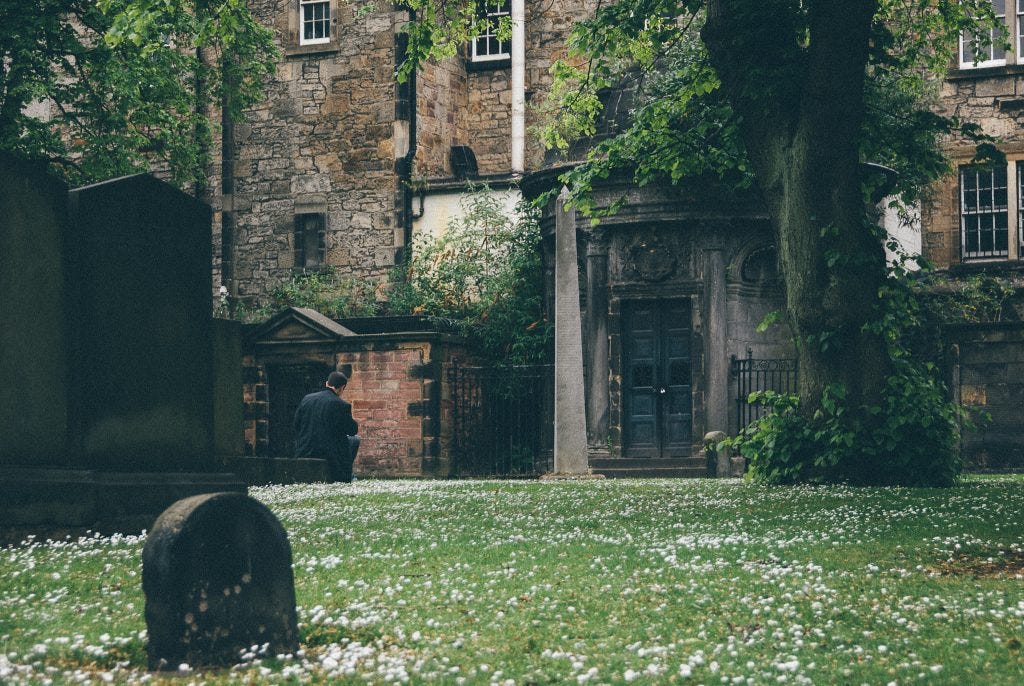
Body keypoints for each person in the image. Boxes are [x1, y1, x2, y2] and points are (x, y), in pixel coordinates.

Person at [294, 371, 360, 482]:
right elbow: (352, 430)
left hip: (305, 450)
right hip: (330, 455)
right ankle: (346, 475)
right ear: (342, 388)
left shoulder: (307, 399)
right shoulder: (341, 405)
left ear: (326, 383)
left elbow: (296, 424)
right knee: (354, 440)